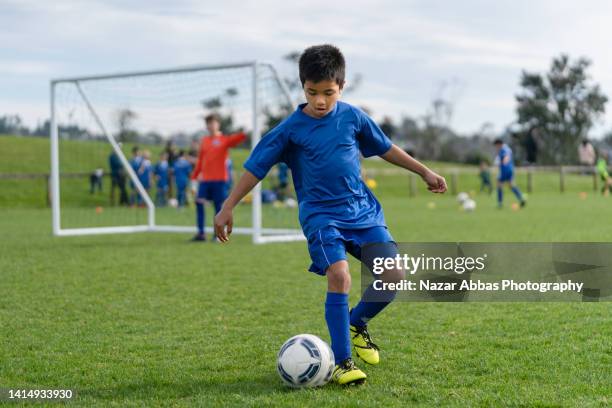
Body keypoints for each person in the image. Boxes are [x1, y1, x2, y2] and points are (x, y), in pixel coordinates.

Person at [214, 44, 447, 385]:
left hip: (363, 213)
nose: (320, 101)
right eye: (312, 93)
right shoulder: (290, 129)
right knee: (340, 275)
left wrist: (424, 171)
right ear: (302, 87)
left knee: (393, 275)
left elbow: (386, 148)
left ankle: (355, 322)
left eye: (328, 93)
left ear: (342, 86)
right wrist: (228, 205)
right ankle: (342, 362)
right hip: (322, 217)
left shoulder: (352, 117)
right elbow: (255, 168)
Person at [190, 113, 246, 241]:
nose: (211, 125)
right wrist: (194, 176)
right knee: (199, 202)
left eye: (213, 123)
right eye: (208, 123)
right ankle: (201, 233)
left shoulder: (224, 139)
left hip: (220, 180)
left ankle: (218, 235)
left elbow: (238, 138)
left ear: (218, 124)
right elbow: (200, 161)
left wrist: (245, 132)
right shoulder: (204, 141)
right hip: (205, 180)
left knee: (218, 207)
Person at [494, 139, 526, 208]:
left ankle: (500, 203)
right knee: (511, 185)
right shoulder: (507, 148)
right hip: (510, 169)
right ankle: (521, 198)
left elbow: (506, 157)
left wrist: (504, 161)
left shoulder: (503, 149)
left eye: (496, 146)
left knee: (499, 184)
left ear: (499, 144)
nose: (496, 147)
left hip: (505, 170)